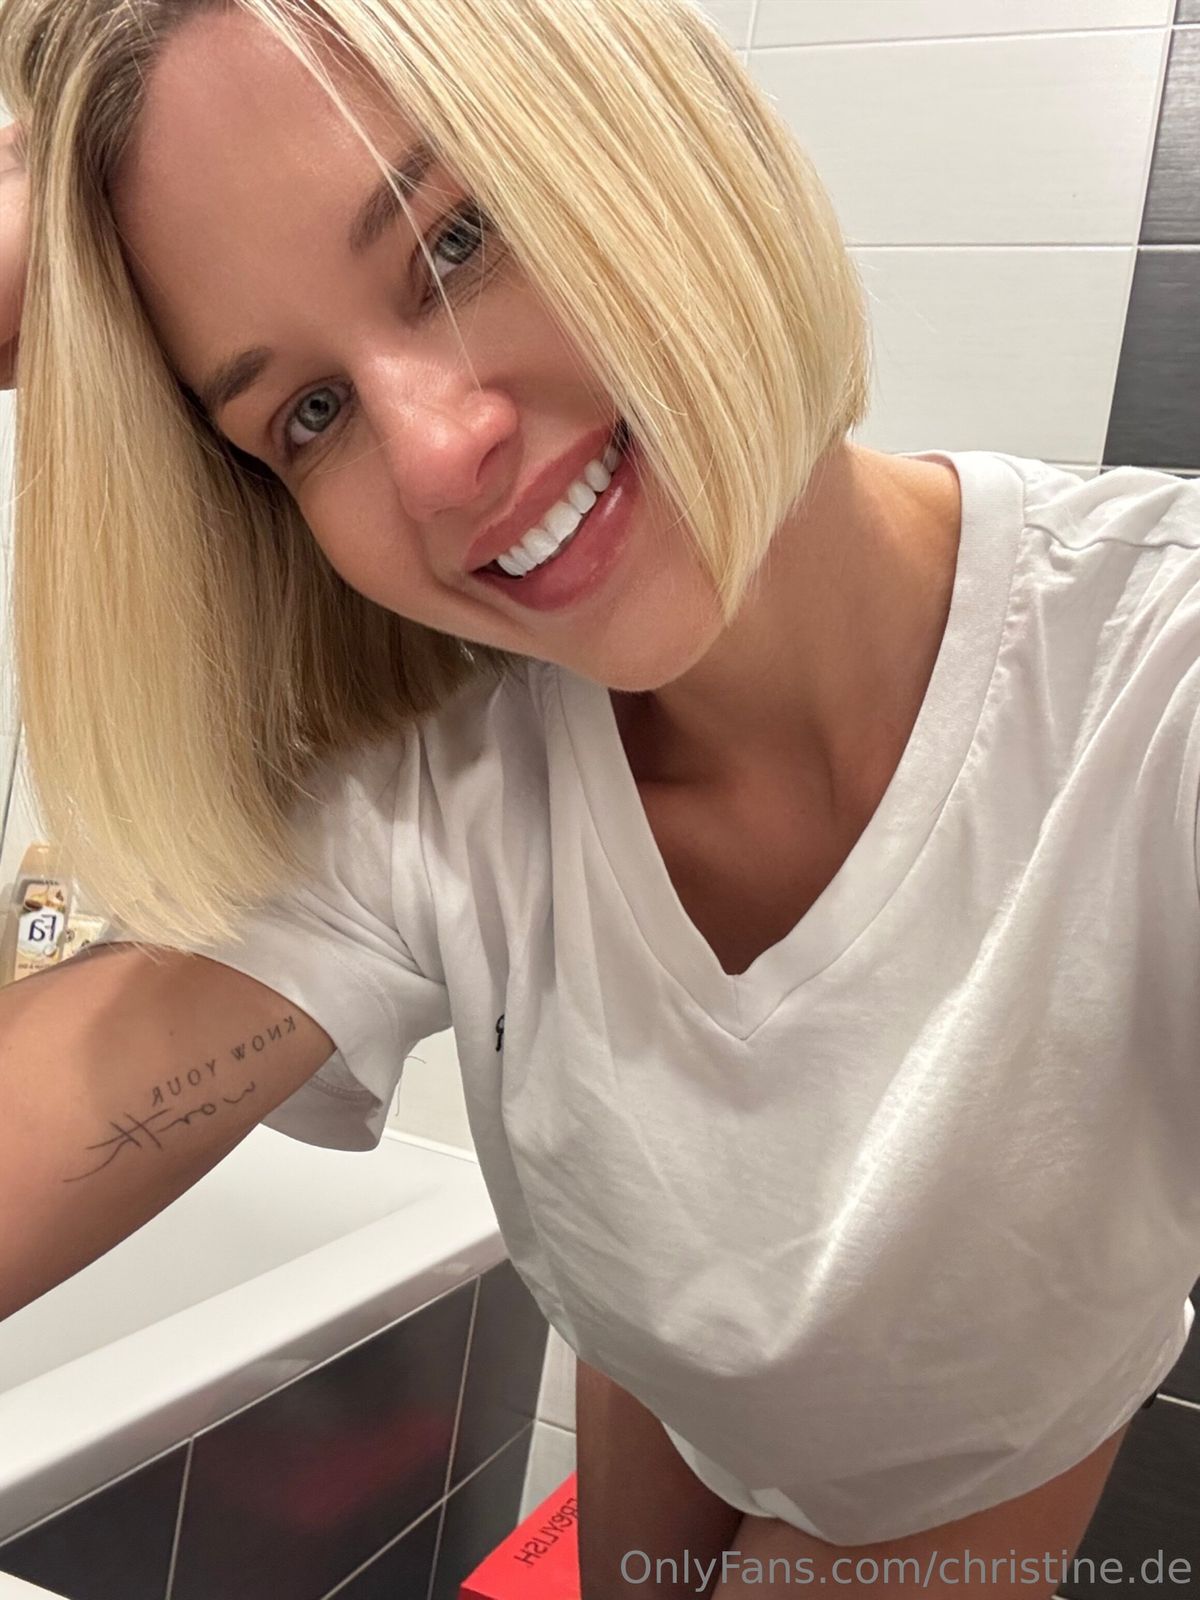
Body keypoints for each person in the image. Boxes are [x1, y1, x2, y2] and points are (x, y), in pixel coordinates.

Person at [0, 2, 1193, 1595]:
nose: (437, 458)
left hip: (963, 1447)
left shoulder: (1153, 680)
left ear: (645, 133)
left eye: (457, 240)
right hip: (663, 1370)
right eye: (308, 413)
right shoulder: (441, 786)